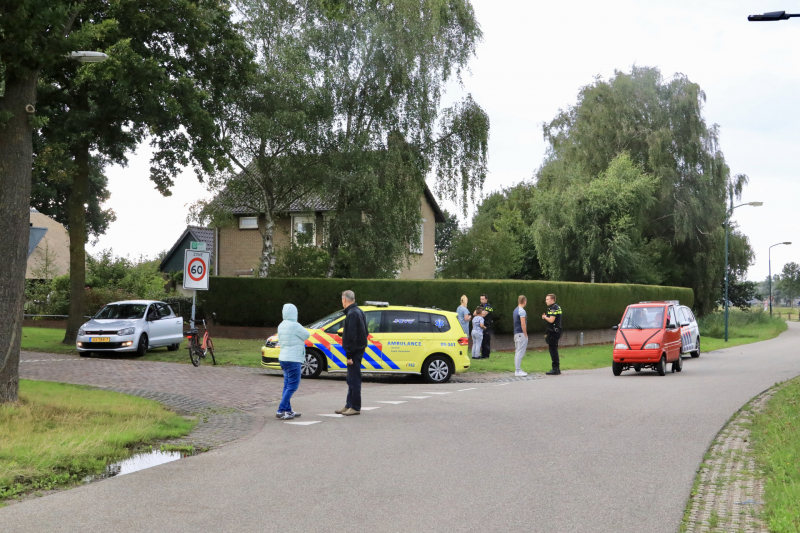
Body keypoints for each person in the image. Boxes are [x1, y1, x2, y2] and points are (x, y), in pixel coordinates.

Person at [335, 290, 368, 416]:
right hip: (358, 349)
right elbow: (366, 332)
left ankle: (355, 407)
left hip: (354, 351)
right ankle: (349, 405)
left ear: (344, 299)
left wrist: (349, 355)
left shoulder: (352, 314)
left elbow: (351, 336)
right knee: (351, 378)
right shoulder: (359, 311)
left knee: (354, 379)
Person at [276, 303, 310, 420]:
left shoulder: (281, 325)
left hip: (283, 358)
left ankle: (288, 410)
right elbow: (307, 335)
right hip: (294, 359)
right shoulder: (295, 325)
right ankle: (281, 409)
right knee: (293, 385)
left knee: (287, 385)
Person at [542, 293, 562, 375]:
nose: (546, 301)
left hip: (554, 332)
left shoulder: (554, 308)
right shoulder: (554, 307)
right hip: (554, 331)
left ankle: (555, 369)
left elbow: (551, 320)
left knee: (553, 350)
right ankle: (557, 368)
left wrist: (544, 317)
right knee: (553, 349)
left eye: (547, 299)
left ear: (552, 300)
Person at [513, 295, 528, 377]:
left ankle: (518, 369)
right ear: (524, 302)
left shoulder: (515, 310)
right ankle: (518, 370)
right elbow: (523, 323)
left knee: (517, 351)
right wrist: (525, 333)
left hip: (516, 333)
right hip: (521, 333)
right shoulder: (522, 311)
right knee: (520, 352)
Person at [479, 294, 494, 359]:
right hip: (481, 325)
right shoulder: (479, 306)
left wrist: (479, 313)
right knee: (482, 341)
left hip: (487, 325)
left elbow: (484, 314)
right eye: (481, 299)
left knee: (486, 340)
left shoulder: (489, 306)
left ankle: (486, 355)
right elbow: (474, 313)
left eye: (482, 299)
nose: (481, 300)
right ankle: (483, 354)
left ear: (486, 299)